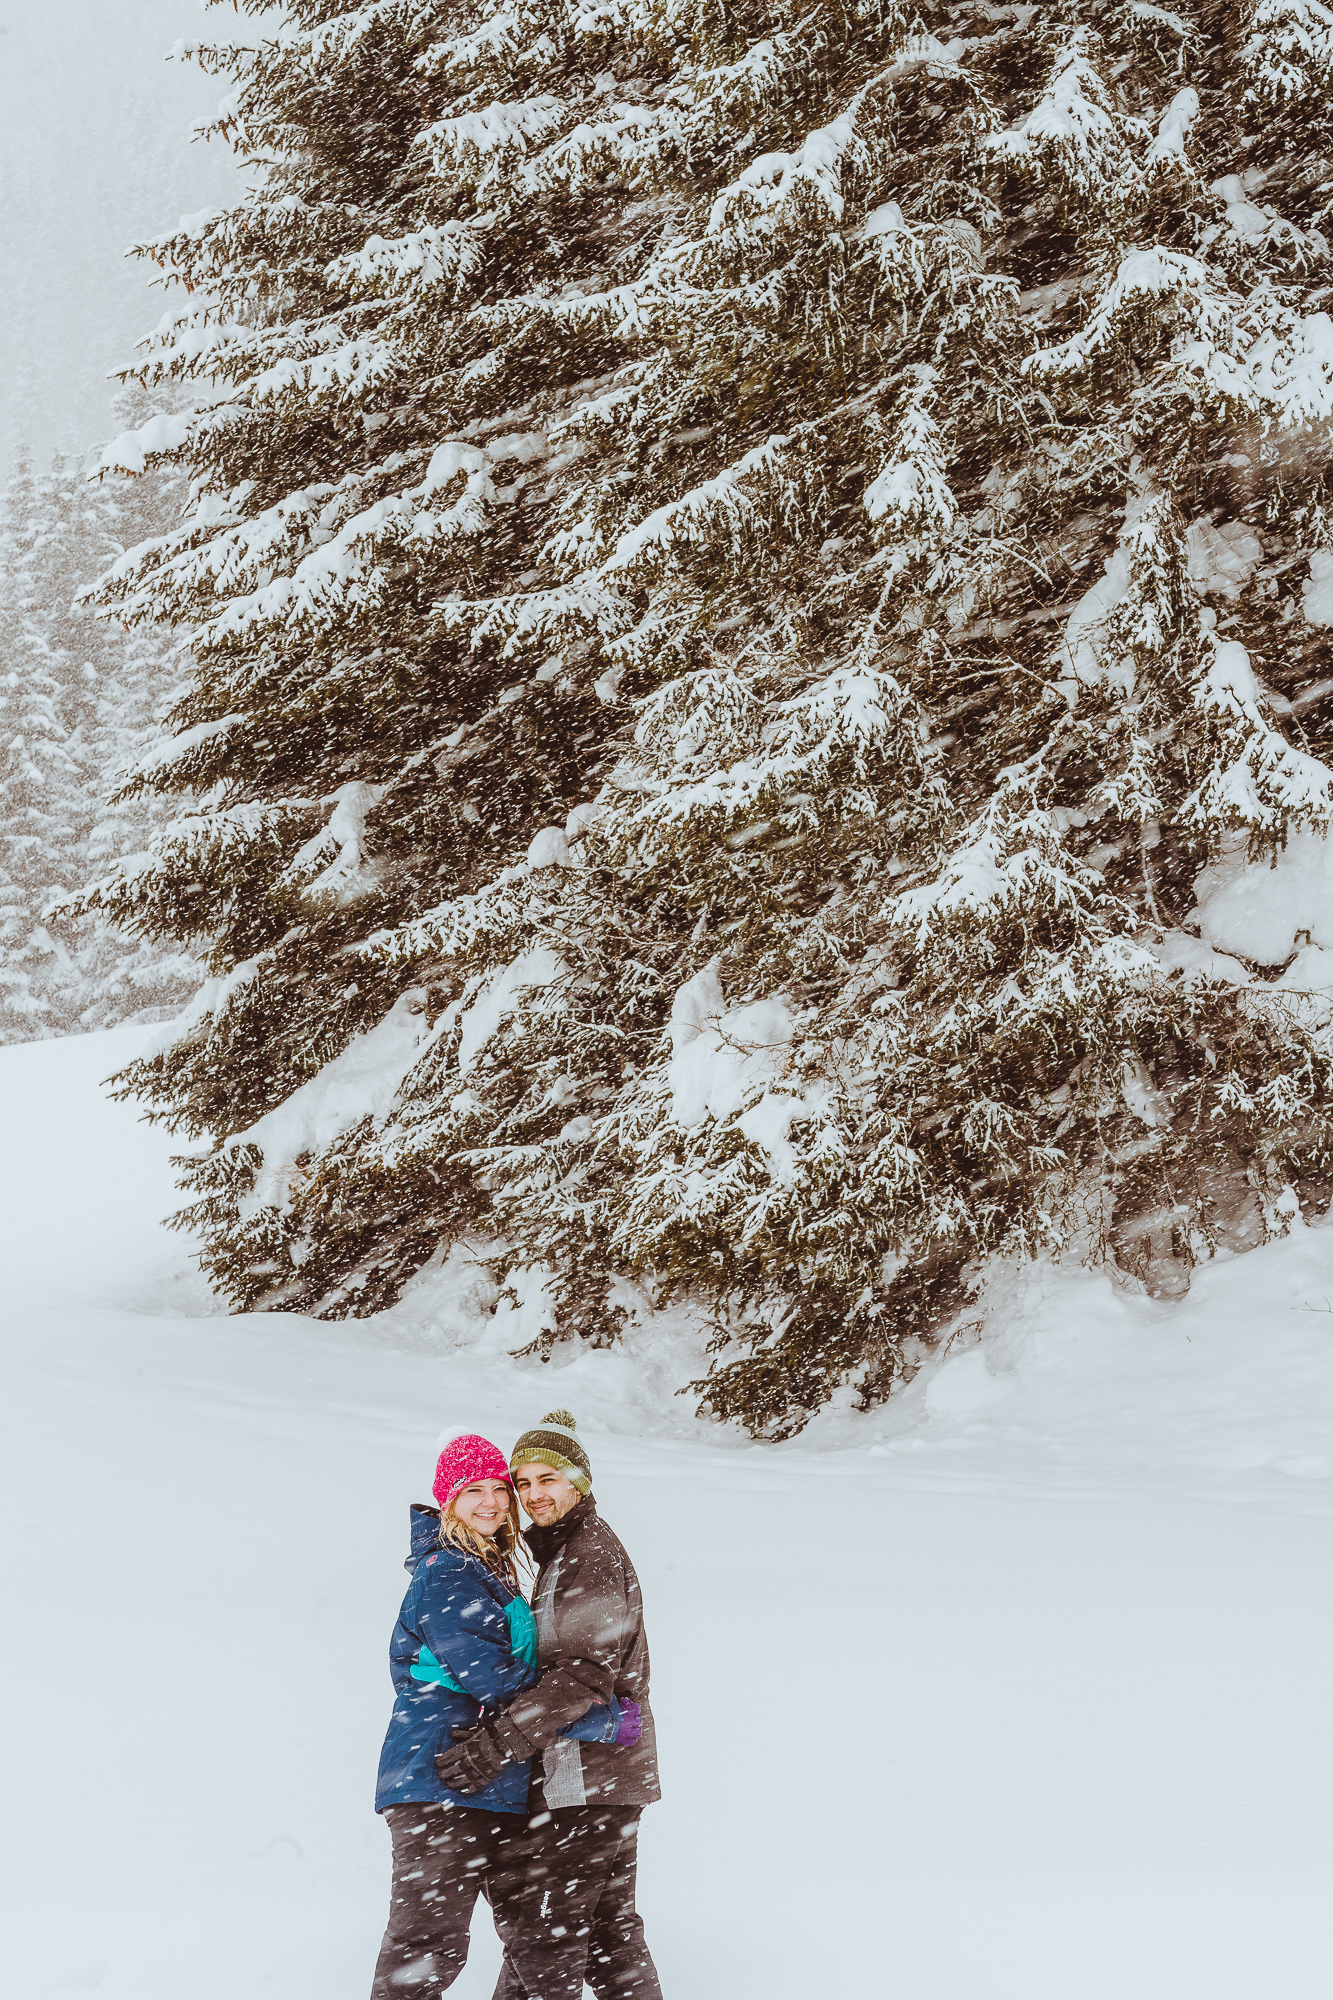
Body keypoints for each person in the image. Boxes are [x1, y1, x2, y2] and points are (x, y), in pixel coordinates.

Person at [371, 1432, 630, 1999]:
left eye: (498, 1489)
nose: (490, 1501)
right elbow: (496, 1678)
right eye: (472, 1490)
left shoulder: (488, 1569)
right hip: (440, 1780)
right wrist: (597, 1720)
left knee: (538, 1944)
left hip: (495, 1783)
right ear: (448, 1500)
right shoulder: (447, 1573)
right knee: (427, 1945)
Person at [435, 1410, 663, 2000]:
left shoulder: (587, 1553)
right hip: (605, 1774)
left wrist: (496, 1744)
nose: (533, 1494)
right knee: (606, 1932)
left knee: (544, 1932)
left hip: (589, 1774)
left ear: (578, 1483)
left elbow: (584, 1676)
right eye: (524, 1482)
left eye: (548, 1480)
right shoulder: (564, 1554)